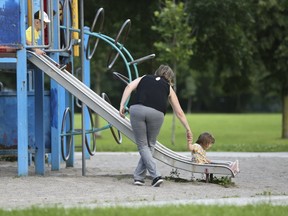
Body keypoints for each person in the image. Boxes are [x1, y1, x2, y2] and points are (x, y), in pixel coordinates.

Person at [119, 64, 193, 187]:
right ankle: (151, 176)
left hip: (137, 109)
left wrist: (122, 104)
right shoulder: (168, 87)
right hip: (157, 114)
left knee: (143, 145)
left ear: (156, 72)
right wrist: (188, 128)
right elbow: (179, 112)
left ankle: (141, 177)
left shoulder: (144, 77)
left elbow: (129, 86)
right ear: (170, 77)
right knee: (150, 145)